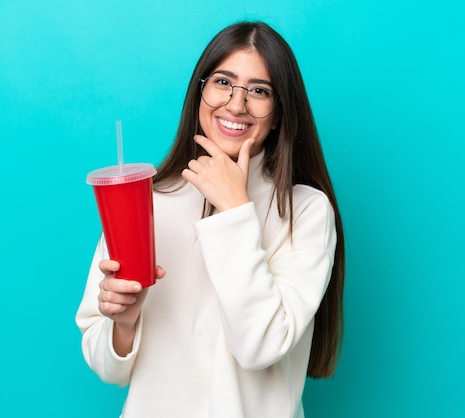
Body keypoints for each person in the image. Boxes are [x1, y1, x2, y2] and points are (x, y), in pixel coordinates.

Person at [76, 21, 345, 418]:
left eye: (259, 90)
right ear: (199, 91)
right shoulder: (147, 201)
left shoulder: (304, 210)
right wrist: (124, 325)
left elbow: (260, 347)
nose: (236, 105)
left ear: (280, 112)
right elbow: (107, 366)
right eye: (223, 82)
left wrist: (236, 211)